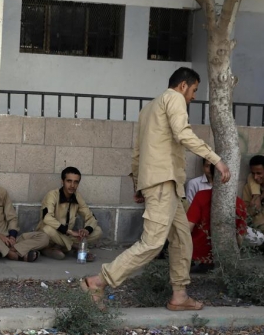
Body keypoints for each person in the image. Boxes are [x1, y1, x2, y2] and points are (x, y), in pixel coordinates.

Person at [80, 67, 231, 312]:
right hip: (163, 183)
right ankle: (98, 281)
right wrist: (216, 159)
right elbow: (183, 134)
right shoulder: (174, 99)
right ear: (183, 86)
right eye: (193, 90)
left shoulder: (149, 108)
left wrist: (139, 183)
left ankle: (180, 295)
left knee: (182, 240)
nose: (193, 96)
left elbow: (138, 151)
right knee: (152, 243)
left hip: (165, 185)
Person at [38, 167, 102, 261]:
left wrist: (86, 230)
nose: (72, 185)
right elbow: (47, 218)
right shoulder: (52, 195)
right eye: (69, 181)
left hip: (66, 236)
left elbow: (91, 217)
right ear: (62, 181)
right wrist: (69, 231)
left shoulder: (77, 196)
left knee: (97, 230)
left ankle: (58, 248)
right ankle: (76, 247)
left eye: (76, 182)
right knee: (48, 229)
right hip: (51, 235)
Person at [187, 184, 248, 272]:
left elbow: (188, 227)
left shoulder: (201, 196)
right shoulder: (239, 202)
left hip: (199, 255)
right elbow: (240, 238)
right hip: (225, 256)